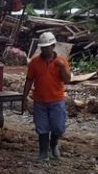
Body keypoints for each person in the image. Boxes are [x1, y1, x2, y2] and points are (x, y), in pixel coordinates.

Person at [21, 31, 72, 161]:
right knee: (42, 127)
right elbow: (29, 79)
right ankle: (43, 152)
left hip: (56, 100)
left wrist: (61, 68)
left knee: (58, 126)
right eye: (43, 47)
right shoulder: (34, 62)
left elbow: (67, 80)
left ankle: (54, 145)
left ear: (53, 46)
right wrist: (24, 97)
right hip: (40, 100)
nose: (44, 49)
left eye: (47, 47)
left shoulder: (61, 62)